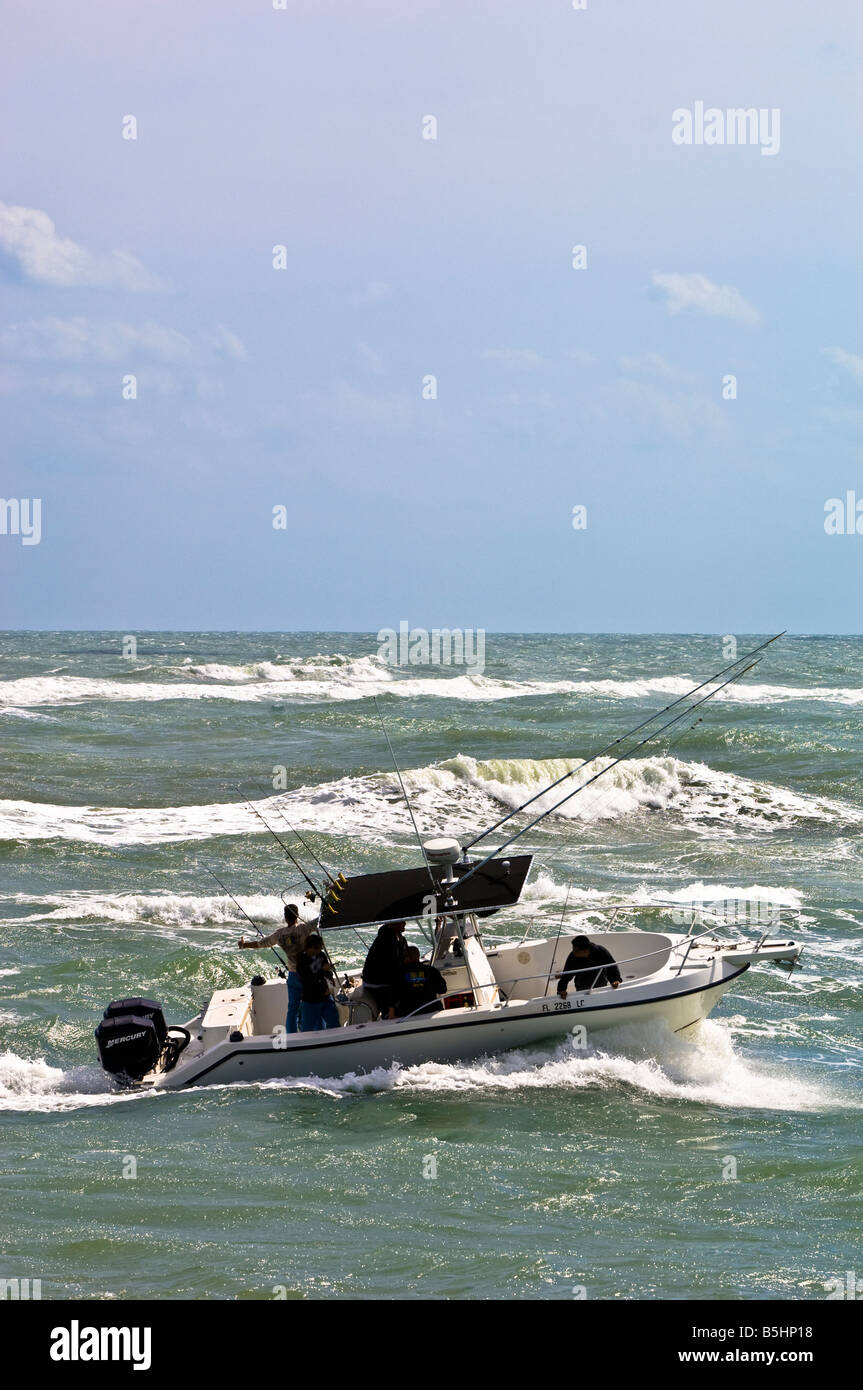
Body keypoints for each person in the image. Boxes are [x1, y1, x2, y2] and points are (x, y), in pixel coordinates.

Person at [238, 903, 314, 1033]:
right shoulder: (303, 929)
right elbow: (321, 920)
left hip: (293, 975)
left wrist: (244, 945)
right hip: (307, 975)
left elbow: (261, 943)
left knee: (292, 1009)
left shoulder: (280, 935)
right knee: (310, 1004)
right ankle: (312, 1033)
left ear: (285, 917)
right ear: (297, 916)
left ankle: (291, 1035)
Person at [361, 919, 408, 1020]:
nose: (405, 923)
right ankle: (389, 1015)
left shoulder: (400, 939)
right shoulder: (386, 940)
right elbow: (393, 969)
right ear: (391, 924)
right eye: (401, 921)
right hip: (376, 984)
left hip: (383, 979)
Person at [296, 934, 340, 1031]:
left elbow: (325, 969)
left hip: (325, 996)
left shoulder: (321, 955)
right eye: (319, 948)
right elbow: (306, 978)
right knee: (309, 1028)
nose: (321, 950)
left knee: (334, 1022)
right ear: (311, 947)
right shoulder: (301, 959)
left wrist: (329, 976)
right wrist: (321, 969)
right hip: (310, 1000)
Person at [557, 935, 622, 996]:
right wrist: (561, 989)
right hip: (582, 989)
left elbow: (612, 966)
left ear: (585, 951)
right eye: (573, 949)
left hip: (601, 986)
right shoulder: (573, 956)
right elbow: (567, 974)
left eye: (575, 950)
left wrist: (615, 979)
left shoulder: (601, 951)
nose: (573, 952)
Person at [394, 947, 448, 1018]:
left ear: (407, 958)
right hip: (432, 1011)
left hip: (409, 1014)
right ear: (418, 956)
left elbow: (394, 996)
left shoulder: (399, 973)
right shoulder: (432, 971)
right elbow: (443, 990)